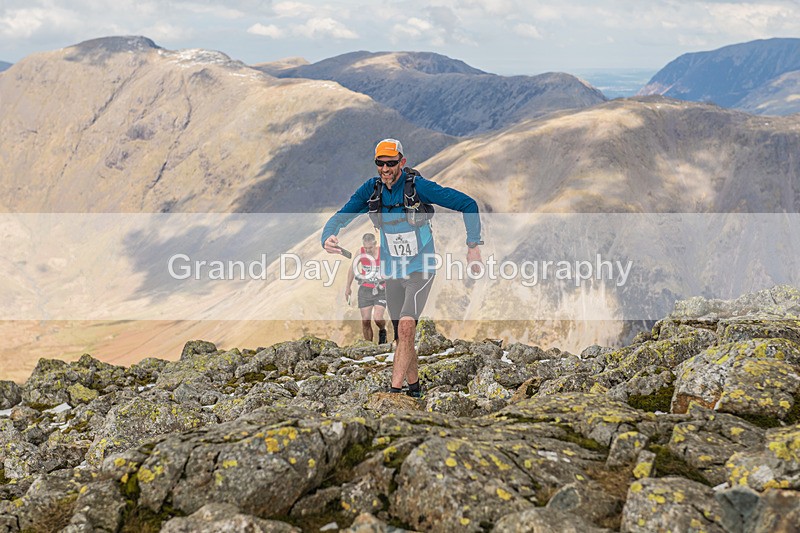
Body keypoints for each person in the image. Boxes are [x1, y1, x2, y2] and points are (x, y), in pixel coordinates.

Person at [321, 138, 483, 398]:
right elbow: (343, 214)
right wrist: (327, 235)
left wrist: (473, 246)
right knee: (400, 336)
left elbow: (468, 204)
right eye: (380, 163)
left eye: (391, 163)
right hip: (392, 271)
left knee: (407, 328)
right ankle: (415, 389)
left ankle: (393, 394)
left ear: (402, 162)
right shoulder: (372, 190)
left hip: (421, 268)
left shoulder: (418, 187)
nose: (385, 169)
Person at [346, 233, 389, 344]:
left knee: (378, 318)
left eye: (370, 248)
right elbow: (352, 269)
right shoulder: (360, 253)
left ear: (375, 244)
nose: (368, 250)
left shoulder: (383, 252)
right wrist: (348, 287)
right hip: (365, 289)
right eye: (366, 248)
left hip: (381, 289)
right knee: (365, 320)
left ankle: (382, 330)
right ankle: (368, 346)